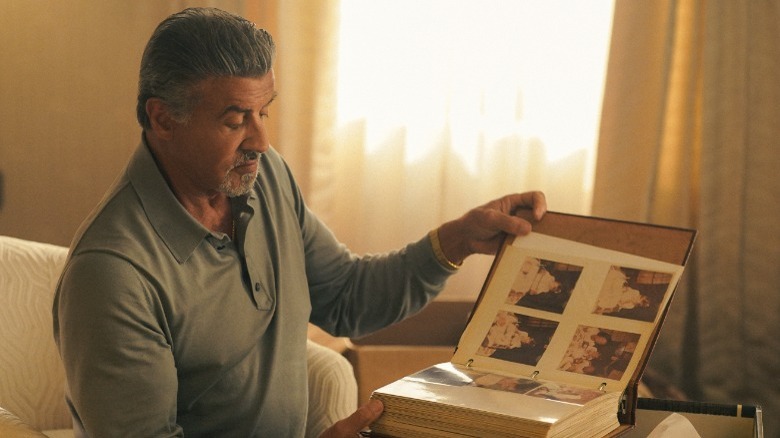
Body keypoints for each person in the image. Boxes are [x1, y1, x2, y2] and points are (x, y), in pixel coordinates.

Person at [52, 7, 547, 438]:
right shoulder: (112, 274)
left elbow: (346, 297)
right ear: (162, 119)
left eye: (264, 111)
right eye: (235, 119)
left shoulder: (262, 179)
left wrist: (457, 240)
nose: (261, 141)